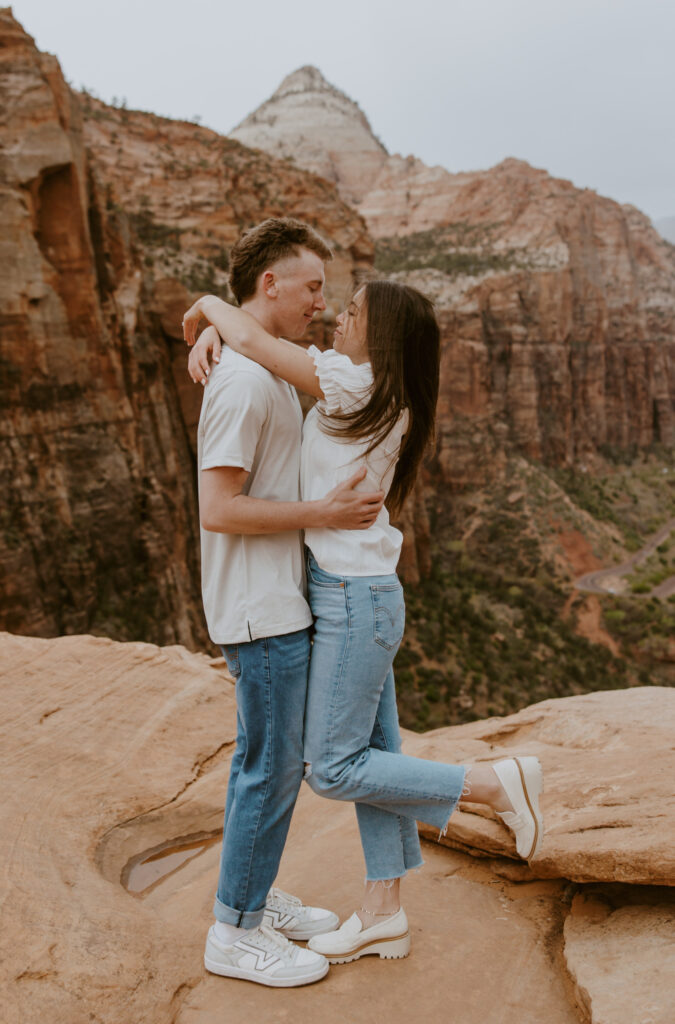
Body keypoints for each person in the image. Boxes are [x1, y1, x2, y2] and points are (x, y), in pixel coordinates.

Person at [185, 274, 545, 967]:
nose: (334, 319)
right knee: (375, 755)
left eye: (349, 312)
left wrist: (206, 307)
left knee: (333, 768)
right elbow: (253, 347)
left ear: (378, 338)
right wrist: (214, 332)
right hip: (347, 594)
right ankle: (383, 912)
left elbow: (257, 337)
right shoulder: (370, 387)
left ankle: (490, 784)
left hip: (353, 602)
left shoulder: (354, 383)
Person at [193, 217, 389, 988]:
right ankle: (233, 932)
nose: (321, 302)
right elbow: (219, 508)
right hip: (258, 608)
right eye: (311, 286)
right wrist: (324, 516)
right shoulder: (244, 382)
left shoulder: (266, 366)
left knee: (271, 763)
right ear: (268, 285)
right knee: (269, 768)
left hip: (282, 600)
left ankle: (253, 893)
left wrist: (207, 316)